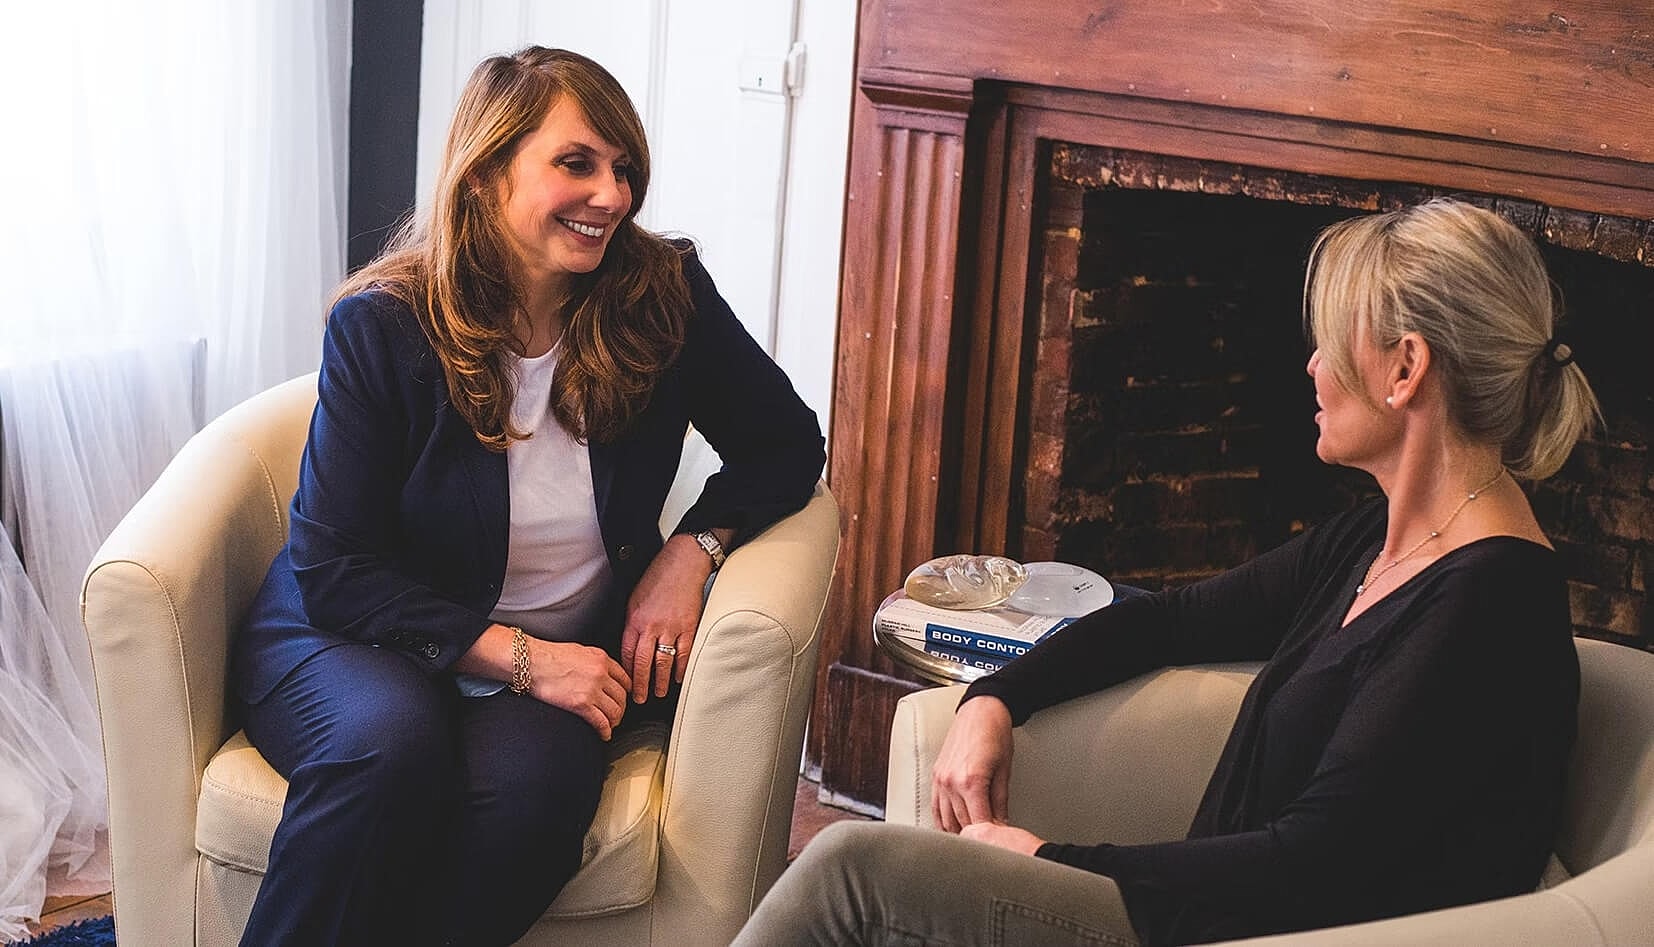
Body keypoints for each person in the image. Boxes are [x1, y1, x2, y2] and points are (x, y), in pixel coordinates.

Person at [735, 199, 1599, 946]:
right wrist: (994, 698)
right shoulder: (1380, 537)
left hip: (1240, 933)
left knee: (852, 870)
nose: (1312, 366)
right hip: (1204, 915)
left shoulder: (1490, 607)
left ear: (1406, 369)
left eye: (1332, 344)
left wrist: (1045, 860)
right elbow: (1171, 618)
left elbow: (1315, 866)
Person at [229, 47, 824, 946]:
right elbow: (335, 566)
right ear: (486, 174)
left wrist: (691, 550)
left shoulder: (662, 297)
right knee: (391, 745)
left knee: (536, 797)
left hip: (559, 654)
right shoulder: (386, 326)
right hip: (358, 633)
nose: (613, 195)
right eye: (576, 163)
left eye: (623, 168)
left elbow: (786, 441)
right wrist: (521, 657)